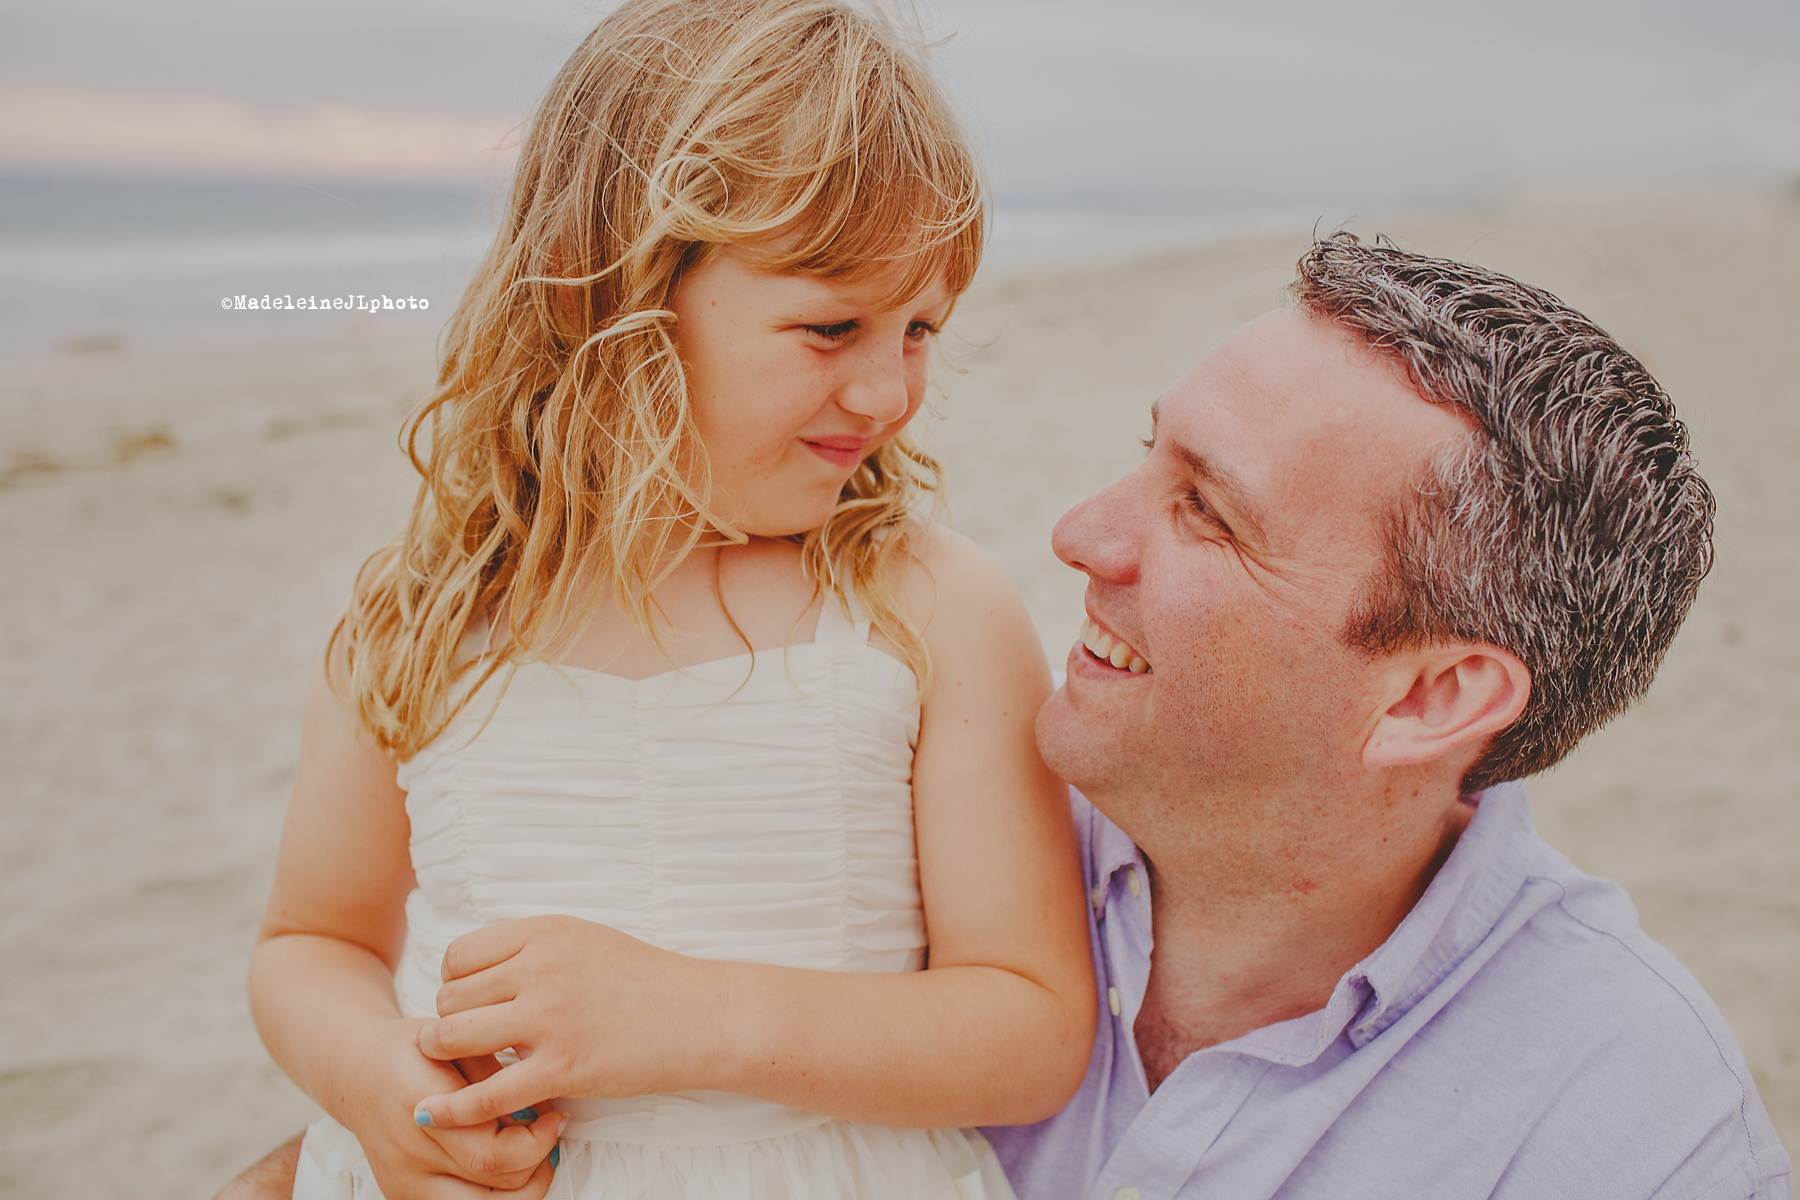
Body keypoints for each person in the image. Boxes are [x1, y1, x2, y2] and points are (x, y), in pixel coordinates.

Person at [243, 2, 1095, 1198]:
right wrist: (374, 1082)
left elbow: (1034, 1030)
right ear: (620, 298)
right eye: (833, 325)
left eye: (920, 330)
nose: (890, 389)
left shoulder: (930, 609)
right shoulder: (428, 610)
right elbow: (311, 941)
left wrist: (692, 1015)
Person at [981, 234, 1791, 1198]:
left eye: (1205, 509)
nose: (1080, 534)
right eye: (1147, 456)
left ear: (1430, 698)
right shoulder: (913, 817)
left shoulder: (1634, 1130)